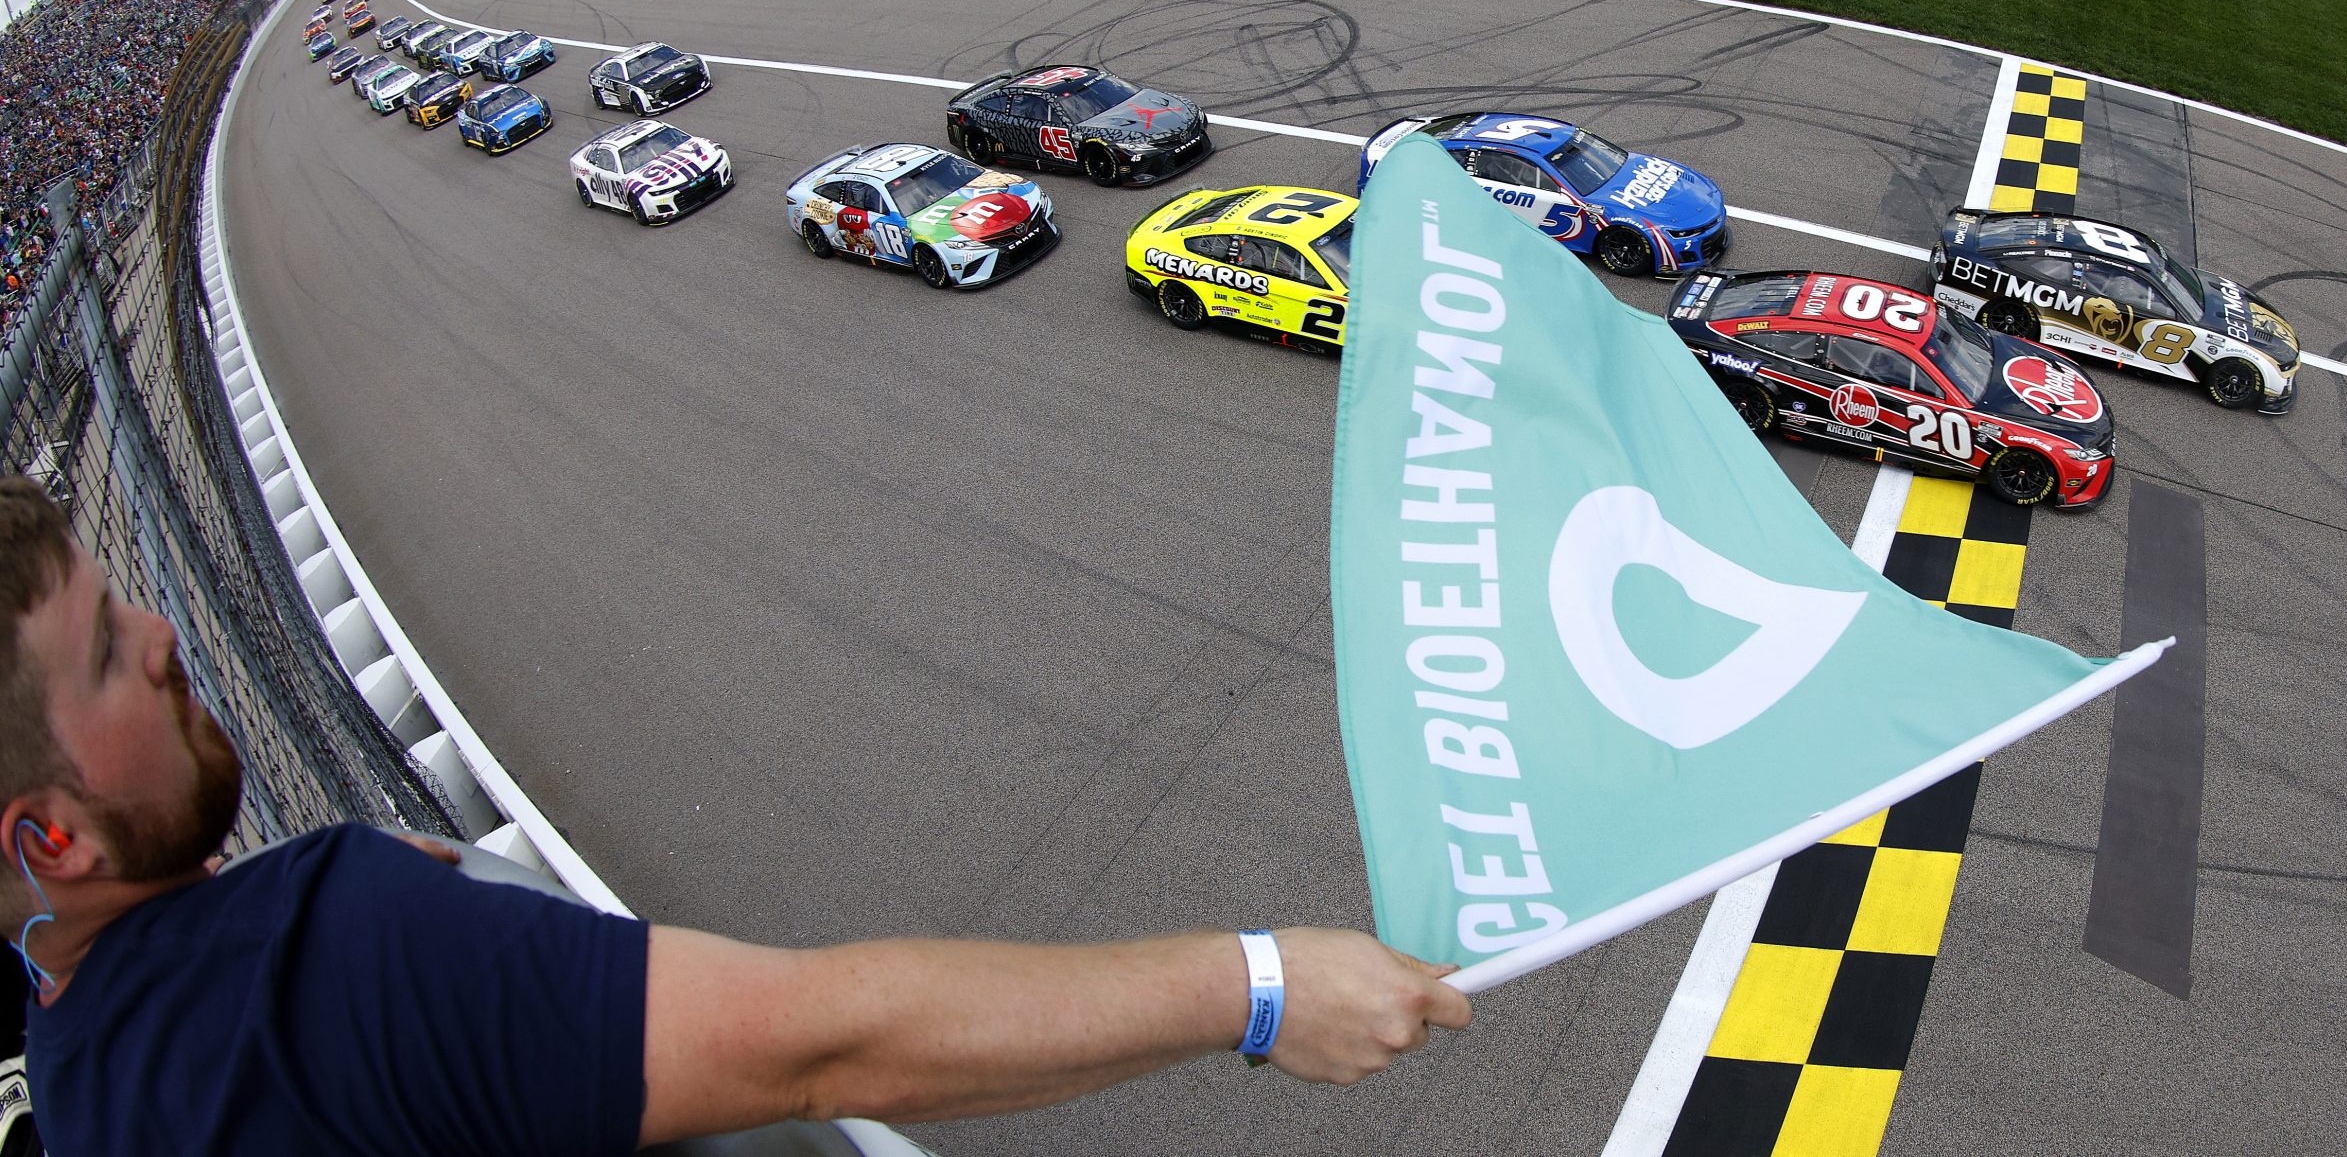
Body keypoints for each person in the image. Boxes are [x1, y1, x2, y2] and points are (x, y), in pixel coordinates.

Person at [0, 479, 1470, 1153]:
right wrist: (1265, 989)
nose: (158, 627)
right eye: (103, 654)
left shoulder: (71, 1077)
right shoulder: (332, 951)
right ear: (47, 839)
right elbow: (826, 1041)